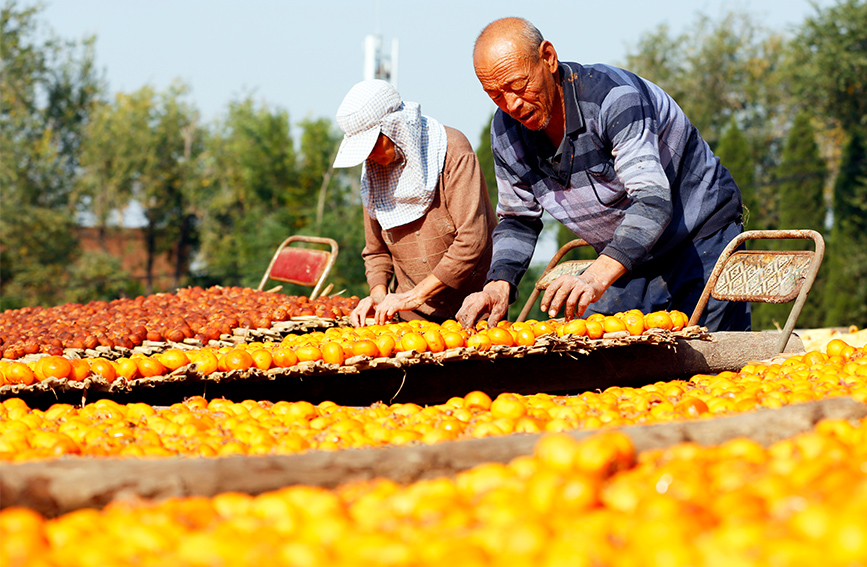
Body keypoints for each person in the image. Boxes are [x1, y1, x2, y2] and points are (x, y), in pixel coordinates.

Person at [456, 17, 751, 332]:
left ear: (548, 58)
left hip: (697, 238)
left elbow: (652, 200)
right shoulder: (506, 134)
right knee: (611, 361)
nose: (512, 104)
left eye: (519, 85)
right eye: (496, 95)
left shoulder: (614, 99)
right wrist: (498, 283)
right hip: (624, 255)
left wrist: (596, 277)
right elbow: (519, 220)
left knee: (708, 363)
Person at [332, 79, 497, 327]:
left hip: (474, 308)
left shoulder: (452, 151)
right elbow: (376, 251)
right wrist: (378, 295)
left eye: (373, 143)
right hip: (413, 318)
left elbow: (471, 240)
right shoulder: (373, 173)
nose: (369, 155)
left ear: (394, 127)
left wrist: (414, 295)